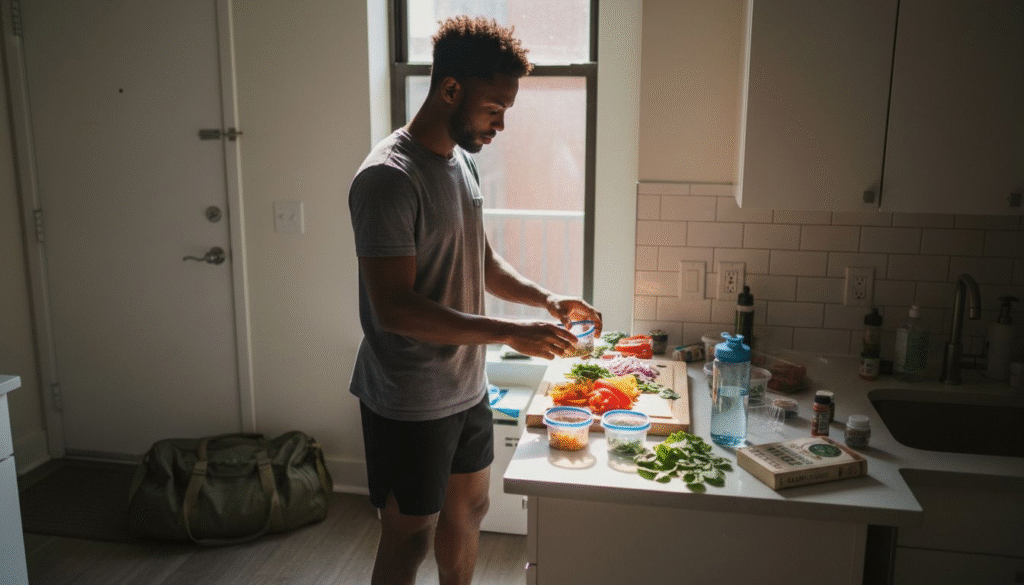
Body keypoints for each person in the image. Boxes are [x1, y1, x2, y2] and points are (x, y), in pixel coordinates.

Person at [347, 15, 602, 585]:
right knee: (409, 534)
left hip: (465, 386)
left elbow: (480, 261)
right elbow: (396, 310)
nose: (502, 124)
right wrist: (509, 333)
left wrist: (546, 298)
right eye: (495, 107)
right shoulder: (388, 179)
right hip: (409, 396)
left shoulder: (460, 161)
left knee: (468, 514)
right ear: (451, 89)